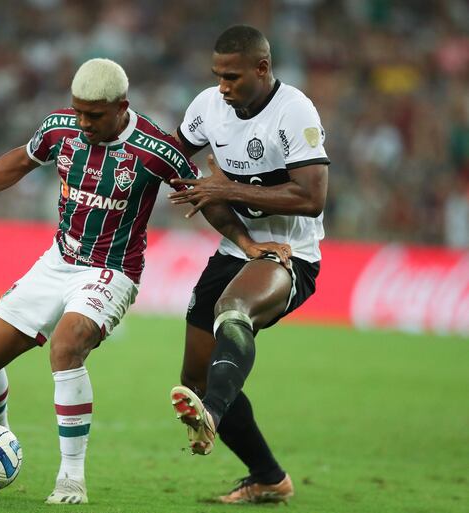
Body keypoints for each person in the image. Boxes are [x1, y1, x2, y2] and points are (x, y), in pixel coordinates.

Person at [0, 57, 290, 505]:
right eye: (78, 112)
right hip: (58, 259)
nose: (83, 123)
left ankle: (71, 477)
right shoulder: (60, 128)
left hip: (112, 272)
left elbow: (201, 197)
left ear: (121, 107)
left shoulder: (155, 148)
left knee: (66, 348)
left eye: (94, 115)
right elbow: (21, 159)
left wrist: (247, 244)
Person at [166, 25, 329, 504]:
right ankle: (268, 476)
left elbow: (312, 197)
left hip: (290, 256)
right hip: (239, 249)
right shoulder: (207, 107)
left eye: (233, 76)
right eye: (217, 75)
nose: (222, 86)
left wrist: (226, 189)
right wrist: (239, 235)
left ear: (262, 68)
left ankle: (212, 416)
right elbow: (178, 167)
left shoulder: (294, 111)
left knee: (232, 311)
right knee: (193, 377)